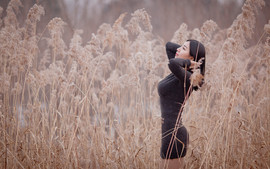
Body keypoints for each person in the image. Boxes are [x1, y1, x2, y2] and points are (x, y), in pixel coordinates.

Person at [158, 40, 206, 168]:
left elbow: (173, 63)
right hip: (169, 134)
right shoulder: (180, 72)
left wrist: (189, 62)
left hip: (174, 135)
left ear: (191, 58)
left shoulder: (187, 77)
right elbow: (168, 46)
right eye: (180, 47)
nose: (178, 49)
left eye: (183, 48)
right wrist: (185, 50)